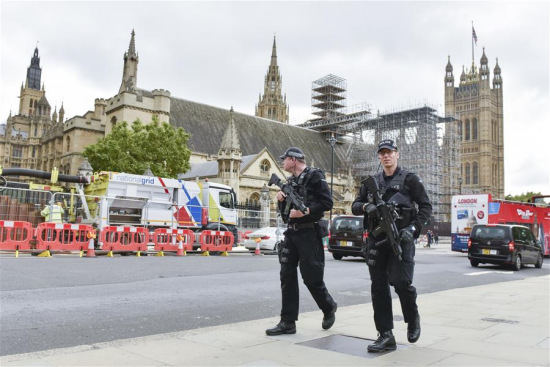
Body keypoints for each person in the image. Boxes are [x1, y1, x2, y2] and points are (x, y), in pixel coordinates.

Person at [352, 139, 432, 353]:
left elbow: (426, 207)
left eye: (390, 152)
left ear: (397, 154)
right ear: (379, 157)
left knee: (401, 282)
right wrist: (367, 206)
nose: (386, 156)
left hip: (401, 238)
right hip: (377, 241)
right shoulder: (372, 182)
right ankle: (385, 335)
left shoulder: (410, 179)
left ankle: (412, 318)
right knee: (378, 288)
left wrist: (413, 229)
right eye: (382, 153)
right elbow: (355, 205)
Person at [266, 147, 338, 336]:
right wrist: (281, 199)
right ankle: (288, 322)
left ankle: (328, 306)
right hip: (292, 233)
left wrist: (305, 211)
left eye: (285, 159)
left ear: (293, 159)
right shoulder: (290, 182)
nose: (283, 163)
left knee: (312, 278)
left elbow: (327, 203)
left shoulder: (315, 176)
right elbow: (285, 214)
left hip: (309, 233)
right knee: (286, 275)